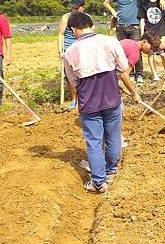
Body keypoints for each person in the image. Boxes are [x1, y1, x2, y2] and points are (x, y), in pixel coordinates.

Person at [63, 12, 134, 194]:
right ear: (91, 25)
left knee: (94, 141)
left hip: (89, 101)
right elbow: (123, 67)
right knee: (113, 136)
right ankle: (111, 171)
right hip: (111, 97)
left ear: (73, 29)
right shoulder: (110, 41)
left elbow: (73, 82)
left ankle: (99, 183)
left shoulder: (70, 52)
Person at [103, 0, 165, 84]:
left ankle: (139, 74)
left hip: (135, 26)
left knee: (138, 50)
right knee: (123, 51)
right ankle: (130, 74)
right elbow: (106, 2)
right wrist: (112, 11)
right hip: (121, 26)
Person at [57, 0, 89, 110]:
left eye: (77, 8)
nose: (74, 10)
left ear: (82, 7)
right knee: (70, 77)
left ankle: (84, 99)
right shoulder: (66, 17)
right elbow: (61, 34)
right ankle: (74, 99)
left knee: (84, 75)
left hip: (83, 49)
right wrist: (60, 51)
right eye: (73, 7)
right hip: (68, 49)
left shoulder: (87, 18)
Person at [138, 0, 165, 86]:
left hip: (160, 32)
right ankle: (155, 75)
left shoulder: (162, 2)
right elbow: (142, 20)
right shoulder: (143, 3)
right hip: (149, 33)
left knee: (162, 54)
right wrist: (142, 34)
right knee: (150, 54)